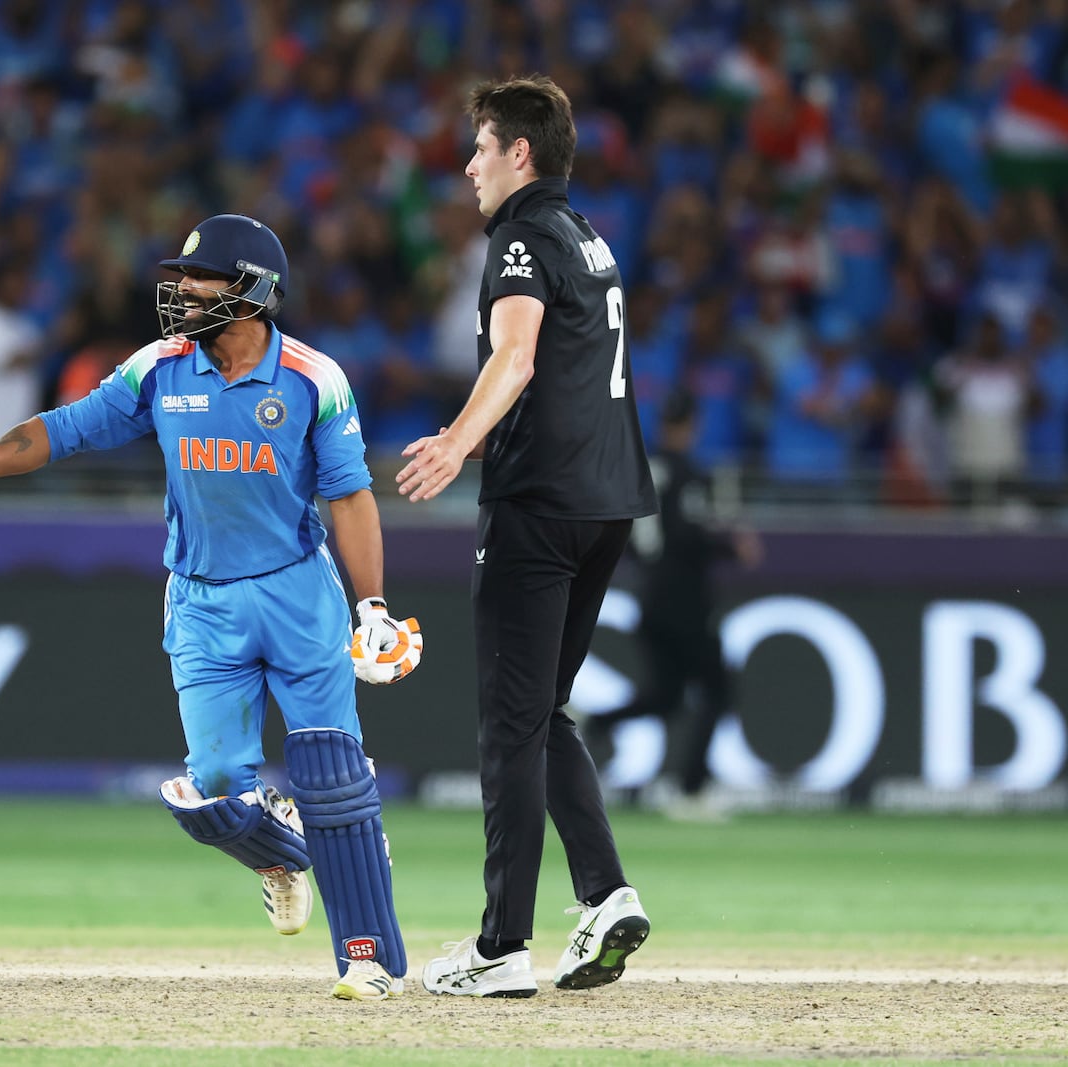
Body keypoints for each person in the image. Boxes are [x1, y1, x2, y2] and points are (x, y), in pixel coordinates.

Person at [0, 214, 423, 1001]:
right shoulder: (162, 367)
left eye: (197, 280)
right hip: (202, 601)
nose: (178, 292)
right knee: (211, 789)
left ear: (250, 291)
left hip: (297, 592)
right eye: (178, 278)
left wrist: (372, 604)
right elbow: (64, 430)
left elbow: (348, 495)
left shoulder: (315, 379)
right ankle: (283, 852)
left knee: (331, 773)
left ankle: (368, 959)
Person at [395, 75, 658, 998]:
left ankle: (501, 945)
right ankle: (607, 893)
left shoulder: (520, 237)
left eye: (481, 145)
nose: (468, 164)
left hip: (538, 502)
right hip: (609, 501)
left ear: (522, 154)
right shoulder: (588, 236)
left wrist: (456, 443)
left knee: (510, 724)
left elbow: (517, 354)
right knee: (542, 711)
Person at [584, 390, 763, 822]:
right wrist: (729, 546)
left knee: (666, 697)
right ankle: (690, 789)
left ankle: (597, 722)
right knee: (718, 691)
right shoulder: (687, 473)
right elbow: (687, 534)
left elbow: (624, 535)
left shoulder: (640, 470)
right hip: (685, 602)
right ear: (693, 425)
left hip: (651, 598)